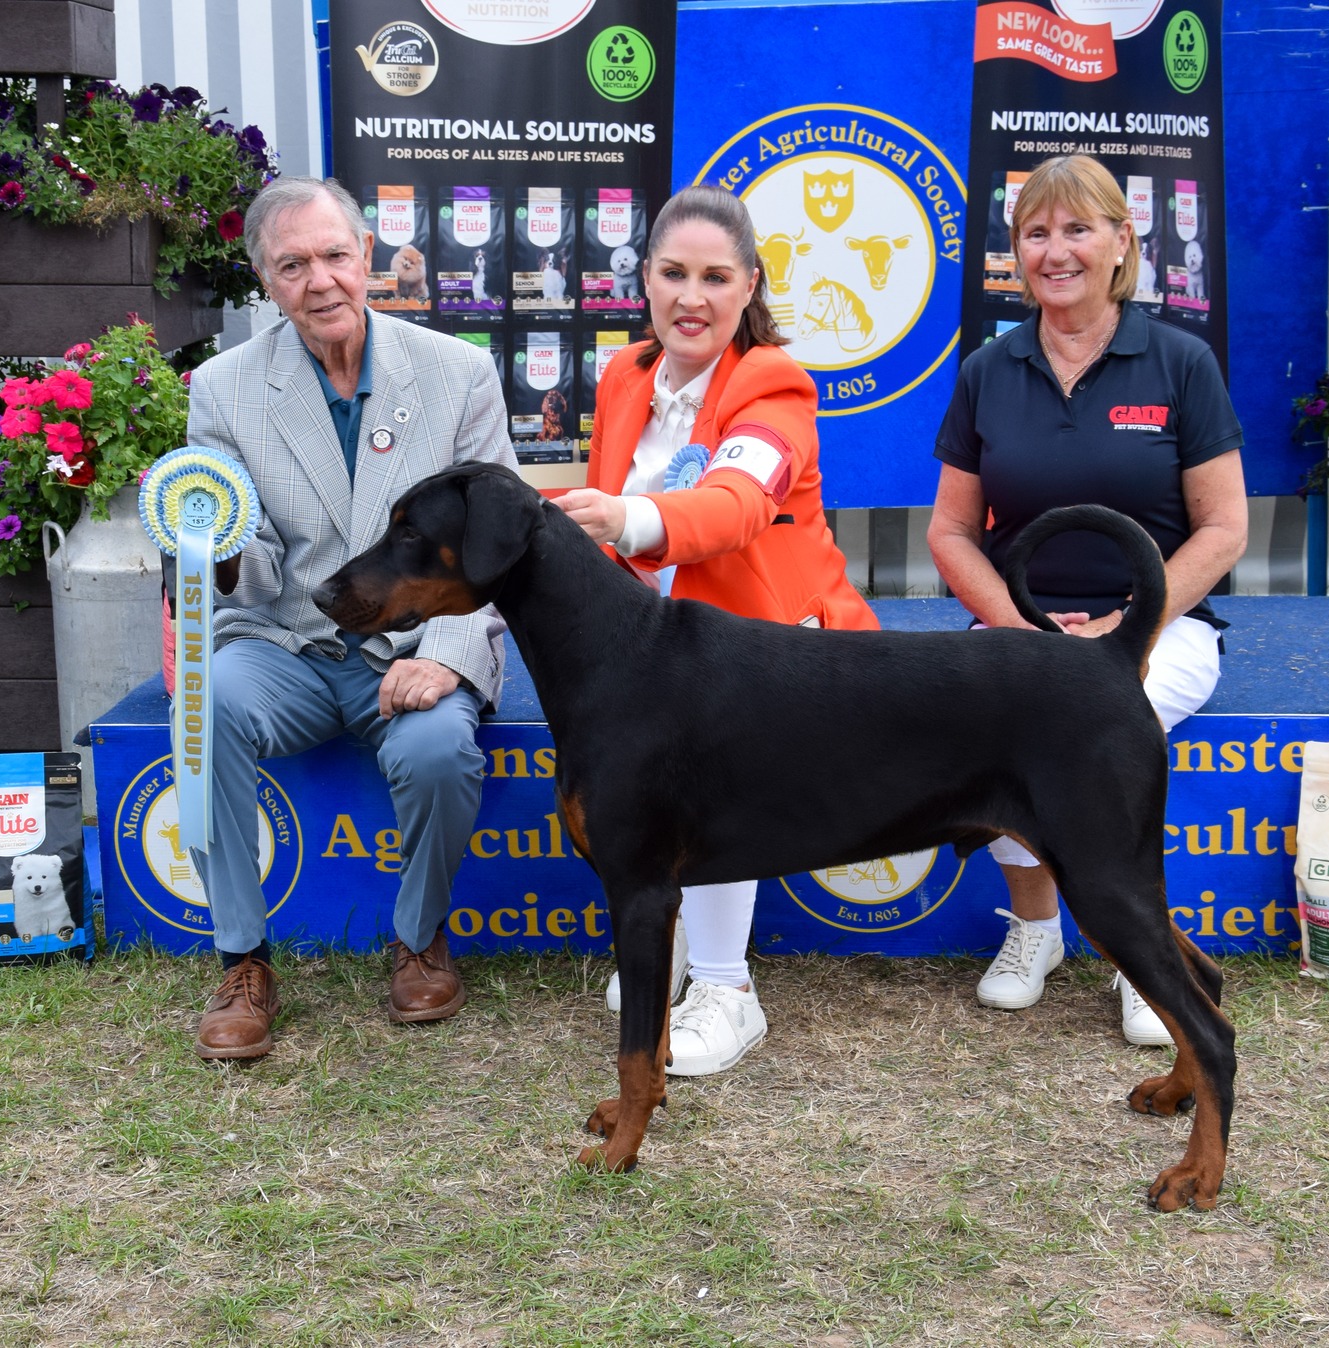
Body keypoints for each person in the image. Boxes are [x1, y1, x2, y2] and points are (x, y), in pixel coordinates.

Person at [183, 177, 515, 1060]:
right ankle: (242, 960)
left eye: (334, 255)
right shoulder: (222, 388)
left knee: (438, 750)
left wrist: (448, 654)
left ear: (367, 255)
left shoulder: (457, 372)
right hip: (284, 642)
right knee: (203, 708)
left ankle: (419, 939)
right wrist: (213, 546)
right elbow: (249, 567)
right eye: (292, 265)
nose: (320, 280)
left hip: (412, 645)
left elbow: (497, 541)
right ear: (265, 280)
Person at [553, 184, 877, 1077]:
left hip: (782, 647)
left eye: (715, 278)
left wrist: (625, 518)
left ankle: (729, 990)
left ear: (750, 286)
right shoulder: (626, 374)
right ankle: (677, 942)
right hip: (662, 644)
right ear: (644, 279)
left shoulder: (773, 382)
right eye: (673, 274)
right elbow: (599, 514)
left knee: (705, 758)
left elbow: (734, 506)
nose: (691, 298)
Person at [925, 155, 1248, 1047]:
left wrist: (1120, 628)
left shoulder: (1181, 362)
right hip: (1018, 626)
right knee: (995, 724)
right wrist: (1023, 628)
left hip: (1159, 627)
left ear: (1121, 242)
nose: (1055, 250)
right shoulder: (989, 369)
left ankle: (1142, 954)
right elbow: (951, 532)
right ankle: (1036, 930)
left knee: (1092, 731)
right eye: (1036, 233)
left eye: (1077, 229)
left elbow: (1224, 528)